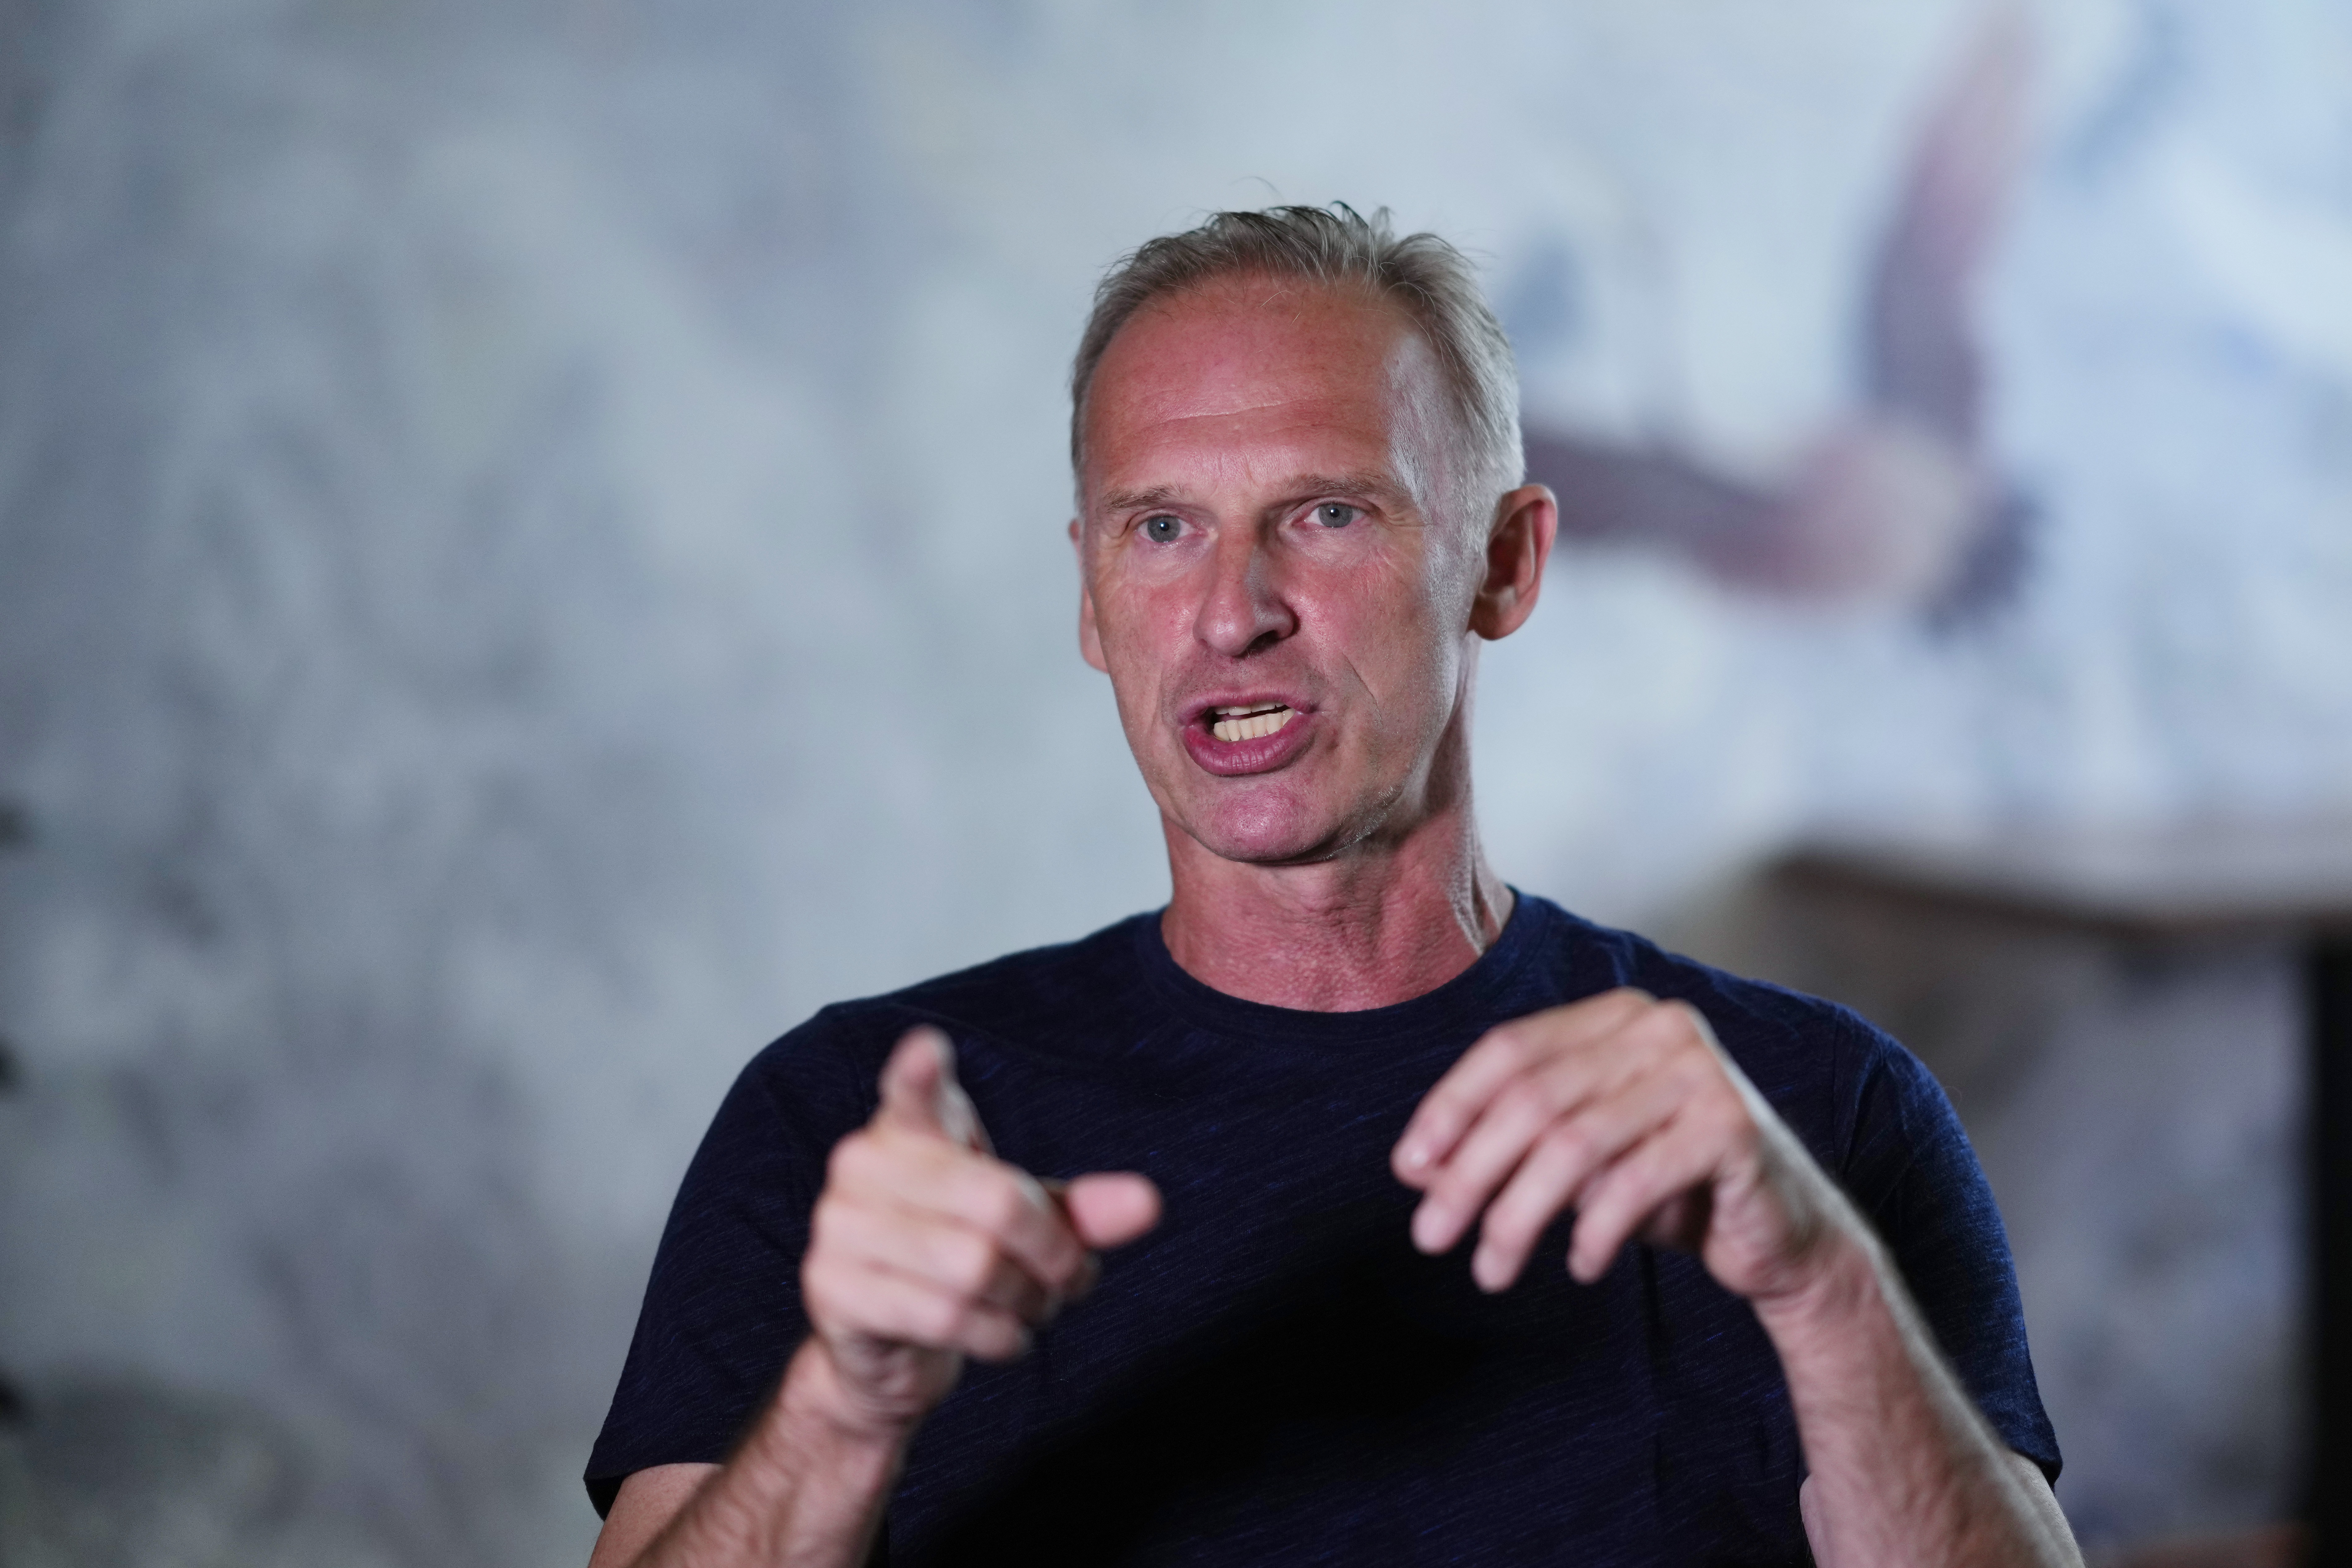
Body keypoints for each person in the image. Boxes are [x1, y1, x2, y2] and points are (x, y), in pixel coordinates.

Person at [582, 204, 2080, 1567]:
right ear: (1092, 599)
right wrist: (845, 1407)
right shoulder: (852, 1128)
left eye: (1326, 514)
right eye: (1159, 529)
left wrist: (1819, 1294)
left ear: (1503, 565)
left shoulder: (1809, 1114)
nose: (1231, 614)